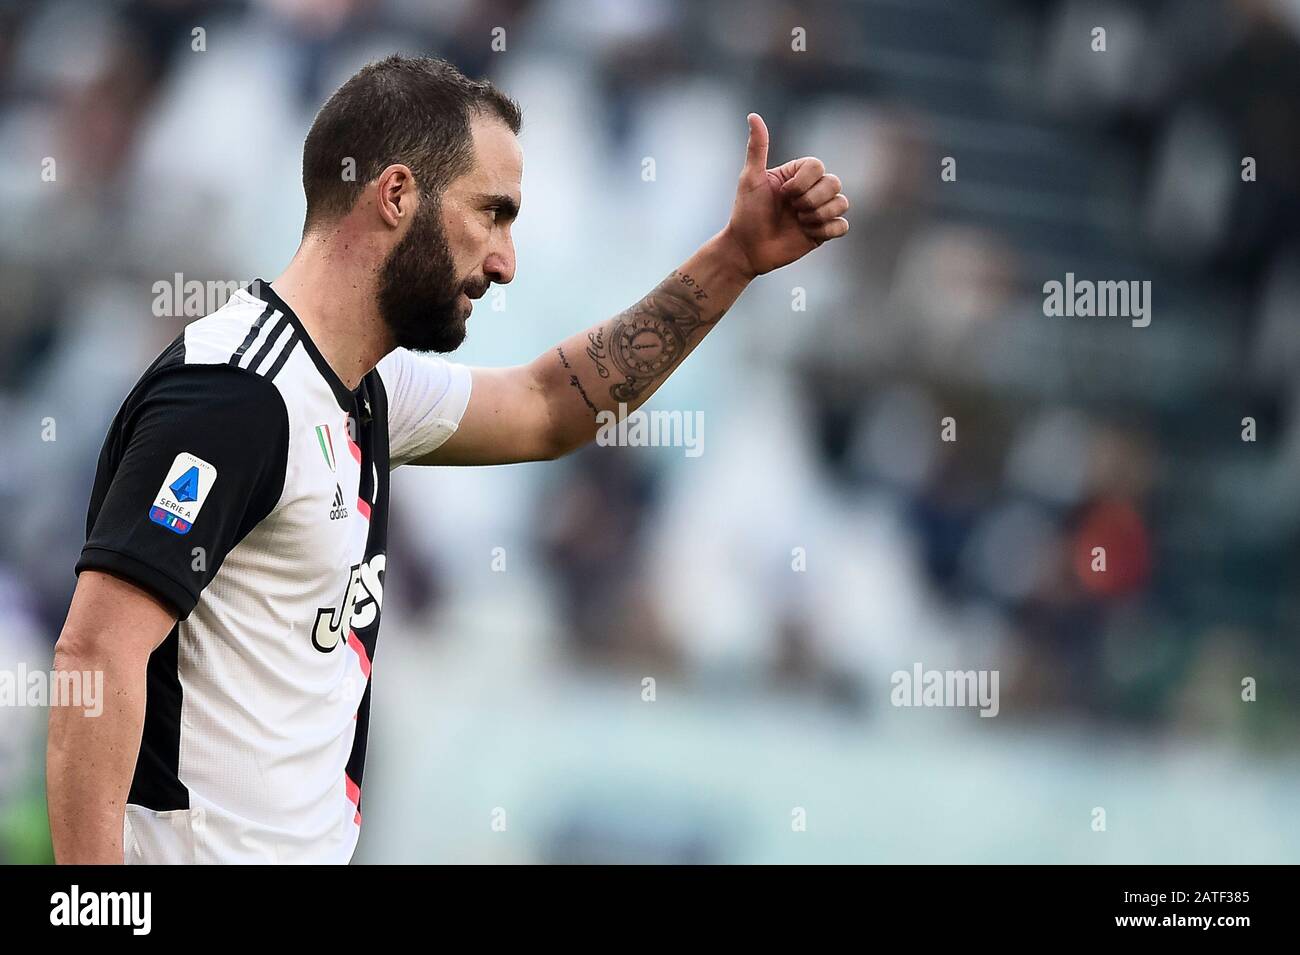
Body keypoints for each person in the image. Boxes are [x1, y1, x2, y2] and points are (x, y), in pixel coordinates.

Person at [46, 54, 850, 864]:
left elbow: (548, 408)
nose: (505, 261)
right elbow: (96, 650)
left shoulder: (365, 385)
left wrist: (736, 258)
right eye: (491, 213)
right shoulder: (235, 396)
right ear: (396, 195)